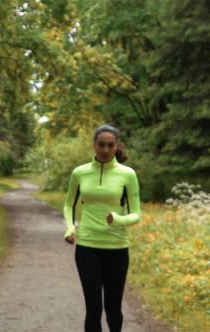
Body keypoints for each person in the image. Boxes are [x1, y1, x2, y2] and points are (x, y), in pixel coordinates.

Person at [62, 124, 142, 332]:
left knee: (113, 308)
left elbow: (136, 214)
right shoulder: (80, 173)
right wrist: (70, 228)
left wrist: (118, 219)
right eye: (101, 145)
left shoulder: (128, 174)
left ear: (117, 147)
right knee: (94, 307)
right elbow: (69, 203)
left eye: (110, 145)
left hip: (117, 248)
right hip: (88, 248)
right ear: (94, 145)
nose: (105, 150)